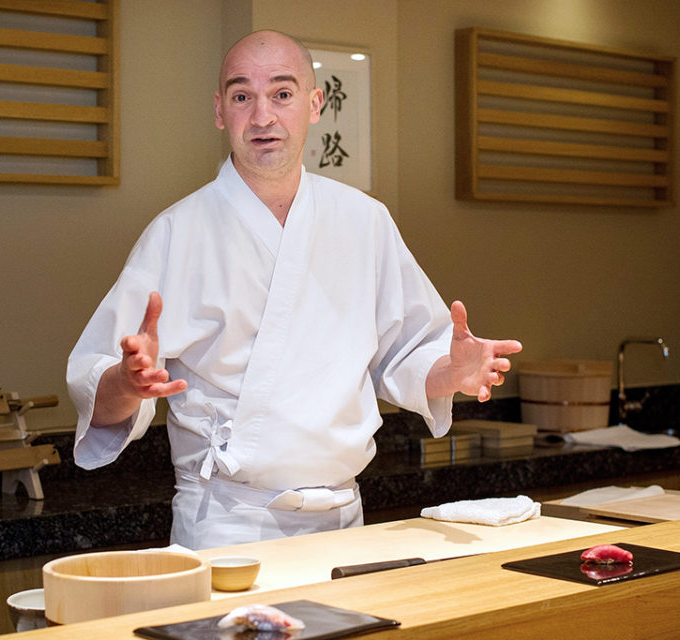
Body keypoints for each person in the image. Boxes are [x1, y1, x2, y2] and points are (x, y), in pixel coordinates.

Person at [66, 30, 522, 550]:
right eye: (242, 96)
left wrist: (454, 371)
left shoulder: (365, 220)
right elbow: (99, 386)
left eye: (282, 94)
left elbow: (406, 354)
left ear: (314, 104)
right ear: (219, 111)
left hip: (345, 517)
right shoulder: (177, 232)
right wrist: (128, 382)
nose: (262, 116)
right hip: (227, 523)